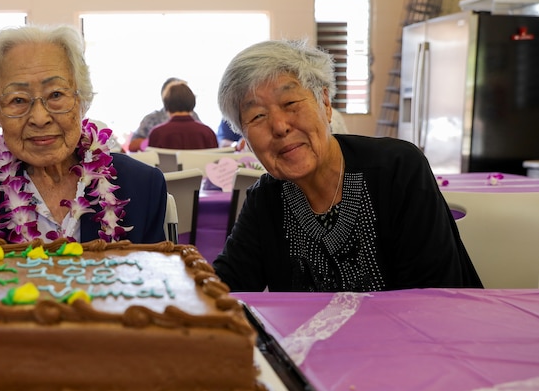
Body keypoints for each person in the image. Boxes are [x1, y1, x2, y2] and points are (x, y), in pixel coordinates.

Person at [213, 39, 482, 292]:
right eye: (257, 116)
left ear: (326, 104)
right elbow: (224, 288)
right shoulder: (266, 199)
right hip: (305, 343)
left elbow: (435, 294)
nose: (280, 126)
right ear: (245, 138)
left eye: (291, 103)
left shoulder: (397, 169)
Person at [0, 24, 167, 244]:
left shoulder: (142, 186)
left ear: (82, 100)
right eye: (18, 100)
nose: (40, 118)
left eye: (55, 95)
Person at [127, 77, 199, 152]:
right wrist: (152, 142)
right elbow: (132, 146)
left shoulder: (195, 118)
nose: (179, 94)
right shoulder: (152, 119)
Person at [147, 82, 218, 150]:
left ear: (166, 104)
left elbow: (150, 161)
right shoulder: (208, 133)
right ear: (192, 102)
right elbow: (216, 160)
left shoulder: (157, 134)